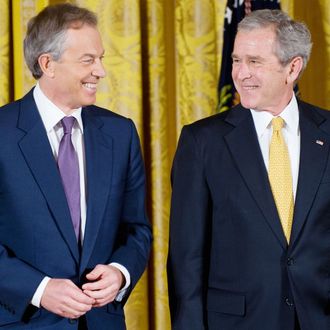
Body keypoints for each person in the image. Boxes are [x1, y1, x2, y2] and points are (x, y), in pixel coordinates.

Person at [167, 9, 330, 330]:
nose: (240, 74)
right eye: (236, 60)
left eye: (254, 62)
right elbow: (186, 260)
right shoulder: (202, 141)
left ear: (292, 68)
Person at [0, 3, 151, 329]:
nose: (101, 71)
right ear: (47, 64)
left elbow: (137, 229)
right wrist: (39, 290)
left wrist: (120, 273)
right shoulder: (2, 133)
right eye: (88, 60)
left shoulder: (120, 133)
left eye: (101, 58)